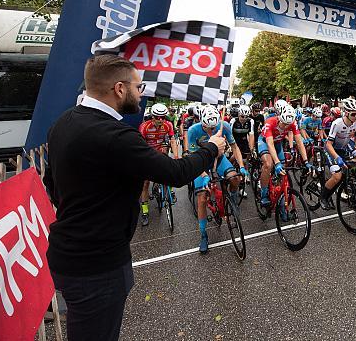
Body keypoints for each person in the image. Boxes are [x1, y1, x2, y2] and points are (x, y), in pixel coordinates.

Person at [44, 55, 225, 341]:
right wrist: (212, 149)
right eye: (138, 87)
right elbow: (176, 173)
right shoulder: (115, 136)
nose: (141, 93)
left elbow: (51, 184)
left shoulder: (64, 122)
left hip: (71, 253)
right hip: (98, 263)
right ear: (119, 89)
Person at [187, 105, 249, 253]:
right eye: (208, 128)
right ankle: (203, 236)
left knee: (235, 179)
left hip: (219, 159)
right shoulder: (193, 130)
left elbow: (234, 147)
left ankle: (232, 202)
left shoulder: (224, 125)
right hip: (200, 163)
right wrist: (204, 176)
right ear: (201, 122)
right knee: (202, 197)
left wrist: (241, 166)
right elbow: (192, 157)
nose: (211, 131)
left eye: (213, 128)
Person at [319, 98, 356, 210]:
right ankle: (323, 197)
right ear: (346, 113)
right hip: (331, 150)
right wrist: (337, 158)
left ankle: (349, 190)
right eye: (353, 114)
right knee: (337, 175)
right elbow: (328, 144)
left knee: (354, 168)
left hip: (344, 147)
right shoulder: (337, 123)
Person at [138, 103, 179, 226]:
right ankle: (145, 212)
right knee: (145, 183)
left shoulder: (168, 125)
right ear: (152, 117)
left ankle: (170, 189)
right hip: (147, 152)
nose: (160, 120)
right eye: (157, 117)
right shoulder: (144, 127)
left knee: (168, 165)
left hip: (160, 149)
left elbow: (172, 140)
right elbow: (140, 146)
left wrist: (176, 157)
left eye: (163, 117)